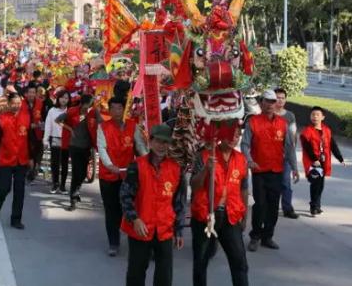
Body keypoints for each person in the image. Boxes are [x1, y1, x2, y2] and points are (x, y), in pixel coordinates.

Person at [120, 124, 186, 286]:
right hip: (141, 228)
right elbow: (125, 195)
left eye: (165, 142)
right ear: (150, 142)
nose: (162, 146)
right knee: (136, 272)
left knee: (164, 275)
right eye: (158, 141)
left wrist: (179, 230)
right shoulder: (137, 166)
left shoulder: (176, 169)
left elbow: (179, 203)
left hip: (165, 229)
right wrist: (135, 219)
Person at [240, 89, 299, 252]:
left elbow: (289, 148)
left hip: (277, 171)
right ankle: (255, 236)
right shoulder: (252, 122)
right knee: (260, 205)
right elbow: (244, 144)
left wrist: (294, 167)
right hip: (259, 171)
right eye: (267, 101)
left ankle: (268, 236)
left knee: (273, 206)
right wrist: (249, 161)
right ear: (261, 103)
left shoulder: (283, 123)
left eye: (273, 102)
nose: (271, 105)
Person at [190, 123, 249, 286]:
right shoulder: (204, 156)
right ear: (221, 136)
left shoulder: (241, 160)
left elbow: (244, 189)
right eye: (229, 134)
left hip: (231, 216)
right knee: (201, 262)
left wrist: (245, 217)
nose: (233, 138)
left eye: (237, 135)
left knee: (239, 262)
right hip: (205, 216)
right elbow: (194, 186)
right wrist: (206, 170)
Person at [97, 97, 148, 256]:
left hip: (127, 176)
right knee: (111, 210)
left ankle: (137, 239)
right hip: (108, 176)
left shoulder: (133, 127)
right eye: (114, 108)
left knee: (130, 208)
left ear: (123, 110)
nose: (117, 112)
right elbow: (102, 148)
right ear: (110, 110)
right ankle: (114, 242)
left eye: (120, 108)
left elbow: (140, 148)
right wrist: (109, 165)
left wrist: (148, 163)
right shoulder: (102, 127)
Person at [0, 92, 33, 229]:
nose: (16, 106)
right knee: (5, 187)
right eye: (13, 103)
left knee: (19, 190)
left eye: (18, 103)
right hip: (6, 159)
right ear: (8, 104)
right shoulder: (2, 119)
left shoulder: (26, 117)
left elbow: (30, 139)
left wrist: (31, 158)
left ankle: (16, 219)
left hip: (22, 159)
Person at [56, 94, 100, 211]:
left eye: (89, 107)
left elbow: (102, 124)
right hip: (74, 146)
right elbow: (58, 120)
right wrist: (70, 129)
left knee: (83, 174)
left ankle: (77, 190)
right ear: (81, 104)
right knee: (76, 173)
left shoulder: (94, 112)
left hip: (87, 147)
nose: (87, 110)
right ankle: (73, 200)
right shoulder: (72, 111)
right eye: (85, 107)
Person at [300, 106, 345, 216]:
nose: (314, 117)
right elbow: (306, 147)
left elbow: (333, 145)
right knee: (316, 184)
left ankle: (317, 206)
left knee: (320, 185)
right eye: (313, 115)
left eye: (317, 115)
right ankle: (313, 207)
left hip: (324, 162)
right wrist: (314, 159)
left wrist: (340, 158)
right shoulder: (307, 131)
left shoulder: (327, 130)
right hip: (312, 162)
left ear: (323, 117)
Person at [274, 88, 299, 219]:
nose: (280, 100)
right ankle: (270, 207)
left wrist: (292, 153)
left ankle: (287, 208)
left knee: (285, 183)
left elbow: (293, 134)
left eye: (282, 98)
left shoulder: (290, 115)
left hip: (285, 156)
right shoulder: (269, 113)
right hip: (270, 156)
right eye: (278, 97)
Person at [43, 89, 71, 194]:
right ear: (58, 98)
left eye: (66, 98)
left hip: (66, 139)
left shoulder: (70, 111)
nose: (64, 100)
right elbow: (48, 125)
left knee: (64, 163)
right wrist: (45, 139)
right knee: (55, 162)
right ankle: (55, 183)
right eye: (62, 97)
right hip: (55, 138)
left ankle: (63, 185)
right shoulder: (52, 111)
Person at [22, 84, 45, 182]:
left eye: (33, 92)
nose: (31, 94)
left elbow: (44, 116)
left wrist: (42, 123)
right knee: (27, 152)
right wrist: (28, 125)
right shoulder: (21, 104)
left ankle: (35, 168)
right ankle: (29, 171)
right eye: (29, 92)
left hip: (38, 132)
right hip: (25, 132)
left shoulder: (40, 103)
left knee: (38, 151)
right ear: (26, 94)